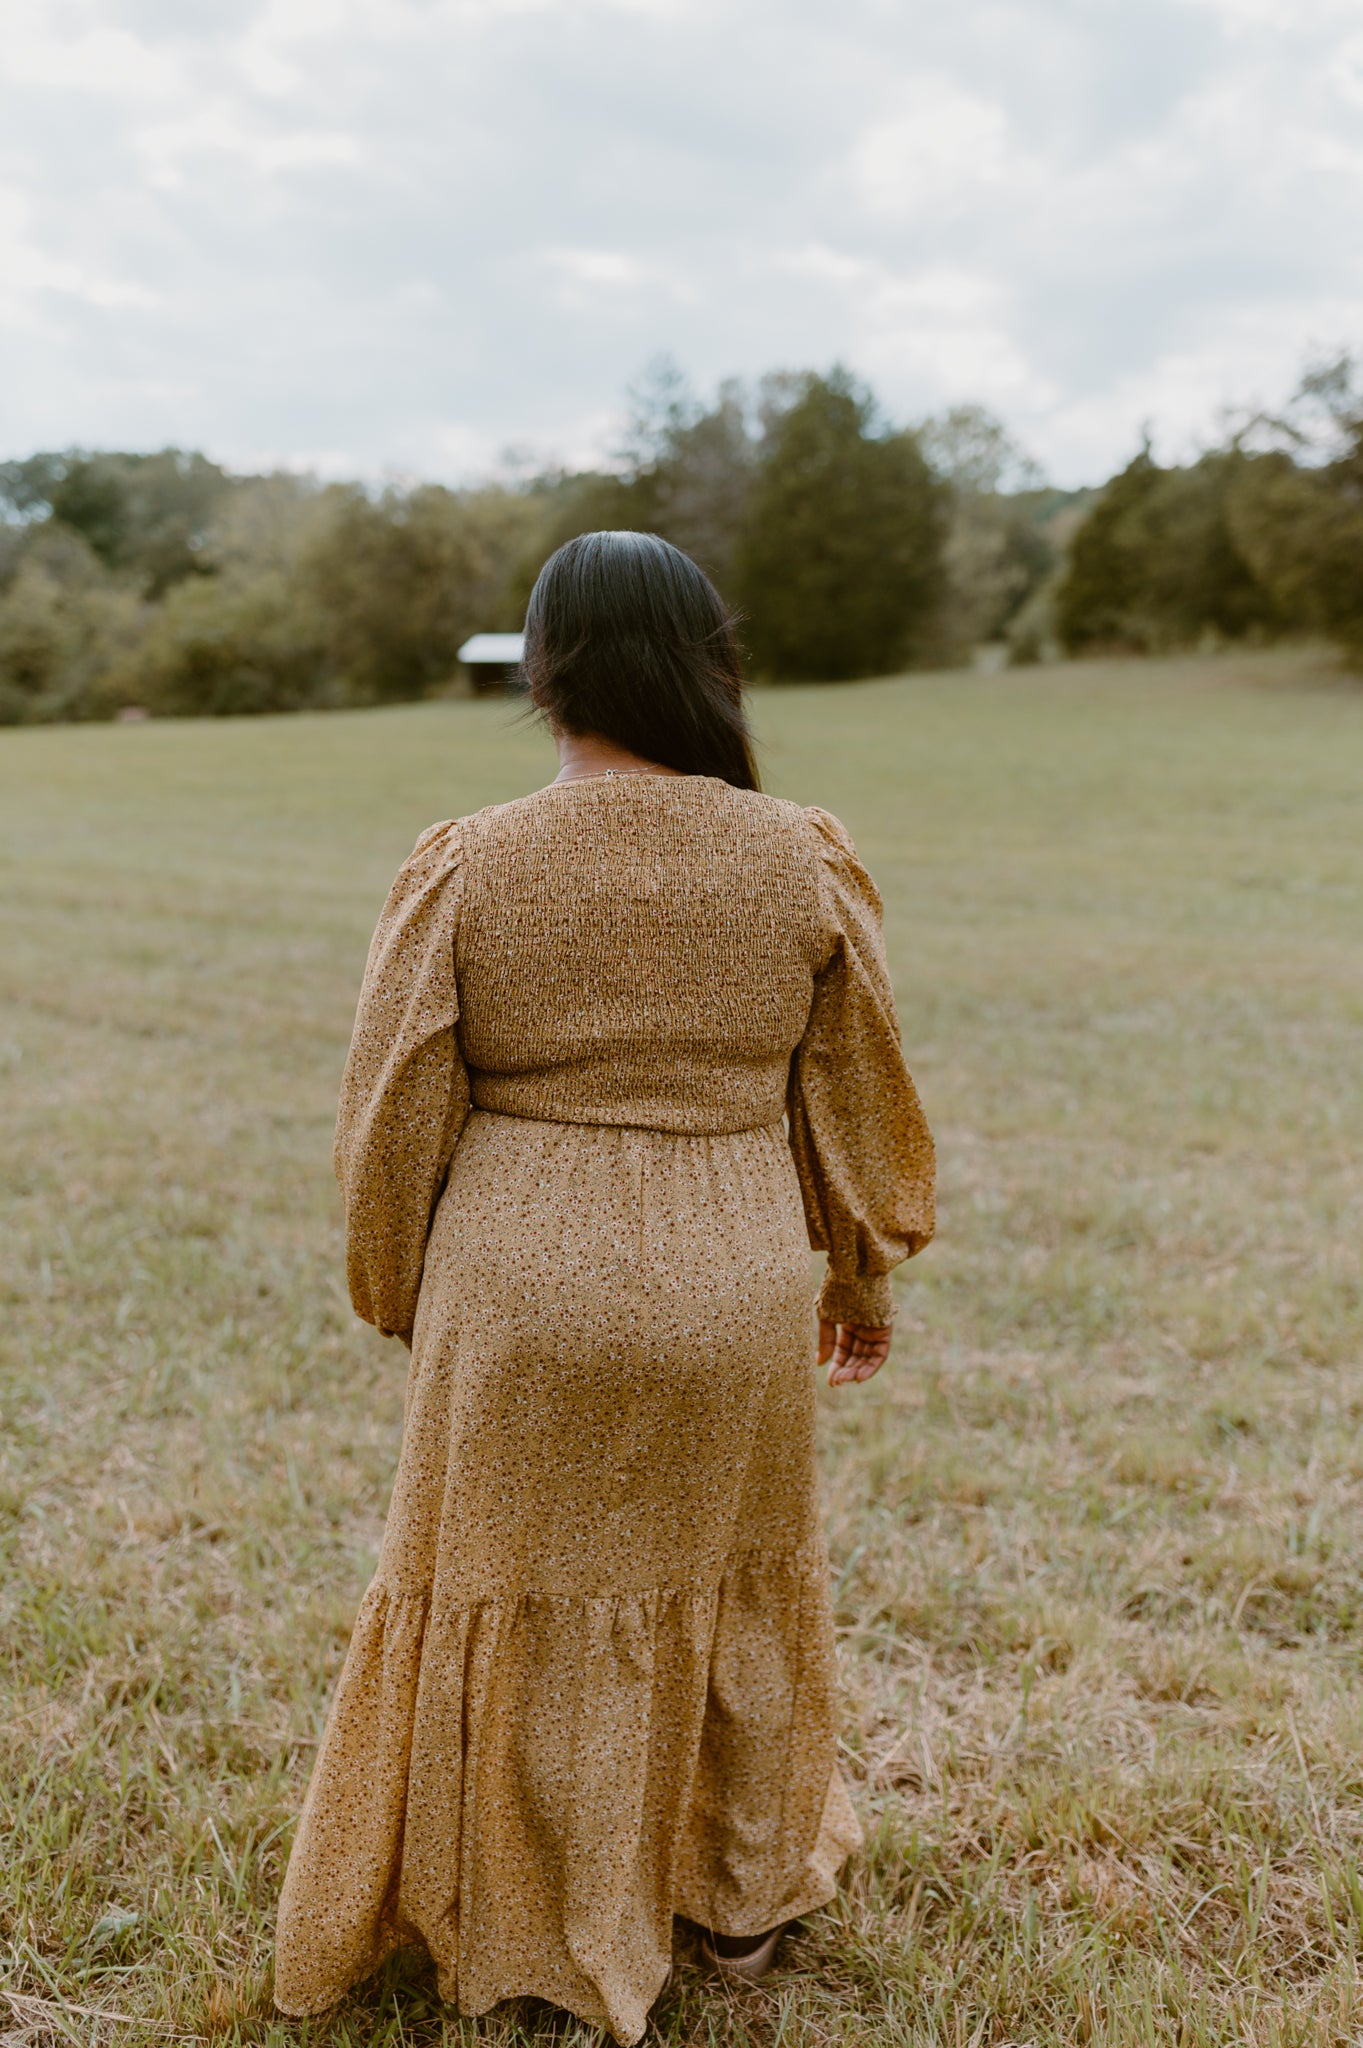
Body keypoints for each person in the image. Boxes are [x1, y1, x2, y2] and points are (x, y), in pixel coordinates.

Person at [273, 531, 935, 2043]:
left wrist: (395, 1288)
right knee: (733, 1575)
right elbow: (853, 1094)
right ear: (712, 663)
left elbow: (393, 1114)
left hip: (520, 1282)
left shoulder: (470, 858)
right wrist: (857, 1275)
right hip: (737, 1278)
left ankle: (530, 1927)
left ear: (545, 671)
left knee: (510, 1596)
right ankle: (742, 1899)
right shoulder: (801, 853)